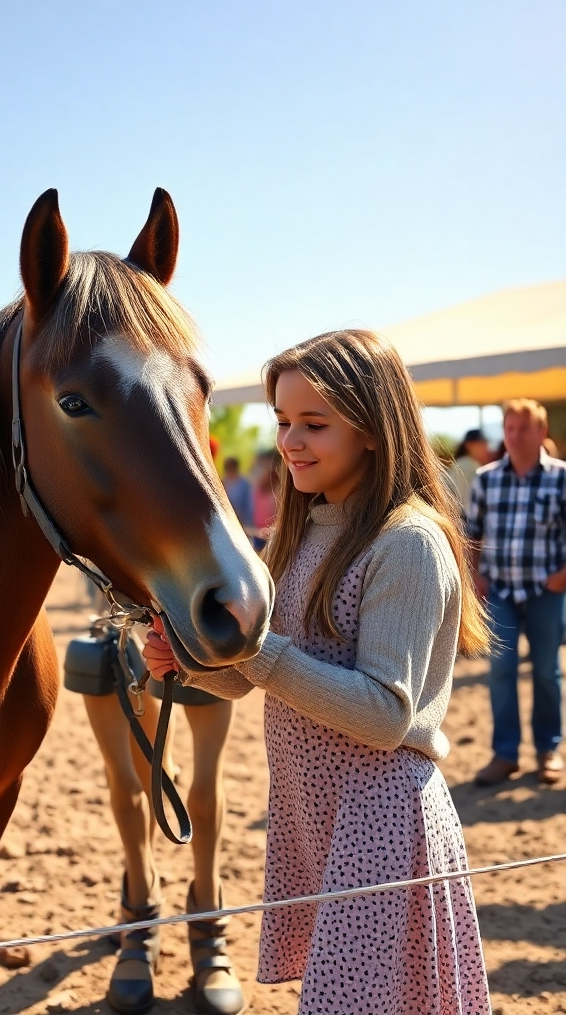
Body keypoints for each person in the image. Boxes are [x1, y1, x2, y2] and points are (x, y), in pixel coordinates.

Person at [145, 329, 491, 1015]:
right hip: (317, 818)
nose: (289, 441)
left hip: (382, 823)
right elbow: (250, 678)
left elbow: (384, 714)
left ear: (371, 429)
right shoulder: (300, 535)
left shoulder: (409, 542)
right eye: (282, 422)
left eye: (314, 423)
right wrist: (185, 662)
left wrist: (255, 650)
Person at [68, 643, 245, 1015]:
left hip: (195, 615)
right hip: (118, 621)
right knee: (128, 779)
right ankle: (140, 909)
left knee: (206, 780)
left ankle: (207, 919)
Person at [466, 399, 566, 786]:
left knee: (546, 671)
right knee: (501, 671)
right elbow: (471, 533)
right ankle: (505, 755)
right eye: (509, 427)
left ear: (542, 432)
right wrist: (475, 576)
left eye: (524, 428)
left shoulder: (561, 477)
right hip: (501, 592)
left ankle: (548, 751)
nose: (515, 434)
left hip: (547, 590)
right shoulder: (487, 478)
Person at [443, 429, 491, 516]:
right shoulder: (468, 468)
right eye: (483, 442)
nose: (486, 446)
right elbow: (466, 504)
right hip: (460, 520)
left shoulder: (465, 464)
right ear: (470, 445)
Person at [221, 457, 254, 535]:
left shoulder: (244, 483)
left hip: (242, 520)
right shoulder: (222, 482)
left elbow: (249, 504)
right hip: (226, 521)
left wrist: (247, 523)